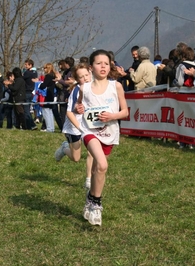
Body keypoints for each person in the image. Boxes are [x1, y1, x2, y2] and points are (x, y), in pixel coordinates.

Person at [75, 49, 128, 226]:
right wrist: (79, 109)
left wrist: (112, 116)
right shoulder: (85, 87)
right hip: (90, 132)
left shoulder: (116, 86)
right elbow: (79, 106)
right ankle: (97, 206)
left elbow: (125, 111)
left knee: (100, 168)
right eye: (99, 63)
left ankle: (91, 199)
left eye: (106, 63)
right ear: (91, 67)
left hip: (108, 132)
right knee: (103, 164)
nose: (103, 66)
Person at [54, 63, 93, 190]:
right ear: (77, 79)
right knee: (76, 158)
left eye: (87, 75)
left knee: (92, 152)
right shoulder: (76, 90)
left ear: (91, 72)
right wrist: (80, 128)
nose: (85, 78)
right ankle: (65, 147)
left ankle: (88, 180)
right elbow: (69, 113)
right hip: (74, 126)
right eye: (81, 77)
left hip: (89, 125)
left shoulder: (95, 87)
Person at [39, 63, 56, 132]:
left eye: (45, 68)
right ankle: (52, 128)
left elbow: (44, 85)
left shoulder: (48, 76)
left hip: (47, 95)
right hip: (51, 94)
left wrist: (40, 84)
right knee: (50, 112)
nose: (44, 69)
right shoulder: (53, 75)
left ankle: (49, 128)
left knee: (46, 112)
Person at [22, 59, 38, 130]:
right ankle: (32, 124)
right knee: (27, 110)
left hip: (27, 92)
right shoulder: (34, 72)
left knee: (26, 110)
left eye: (26, 64)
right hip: (31, 92)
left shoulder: (27, 73)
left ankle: (30, 125)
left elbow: (22, 78)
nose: (25, 66)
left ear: (30, 65)